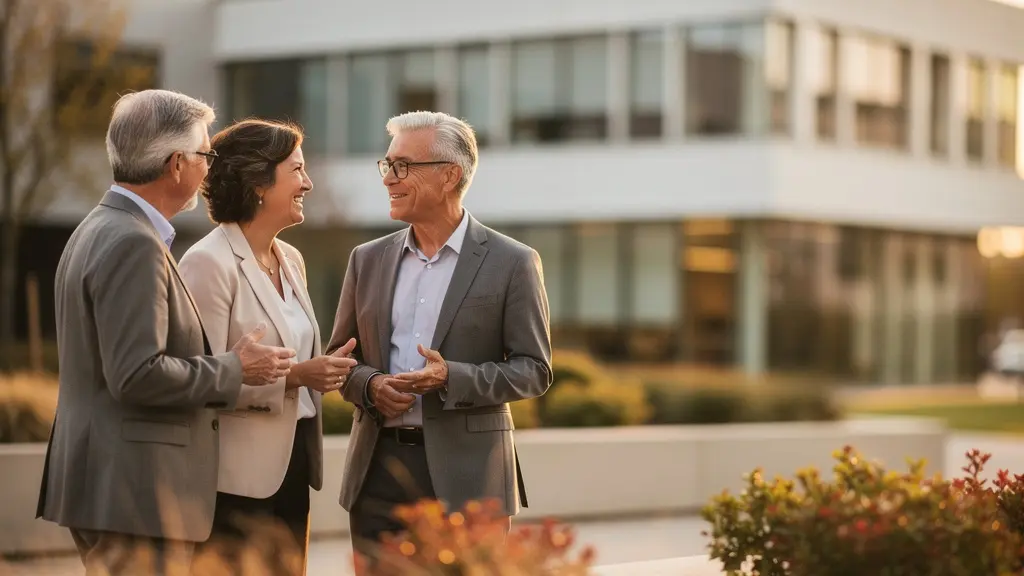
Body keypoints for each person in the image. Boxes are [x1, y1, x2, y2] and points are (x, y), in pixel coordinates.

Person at [35, 90, 297, 576]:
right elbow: (137, 375)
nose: (208, 167)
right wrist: (236, 368)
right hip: (136, 493)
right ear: (178, 164)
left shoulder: (100, 227)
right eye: (205, 155)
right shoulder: (134, 242)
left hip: (114, 487)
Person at [325, 111, 553, 559]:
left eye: (403, 166)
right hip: (376, 472)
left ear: (450, 175)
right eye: (386, 165)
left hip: (471, 478)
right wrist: (369, 385)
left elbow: (534, 370)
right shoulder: (366, 259)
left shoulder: (512, 262)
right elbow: (339, 355)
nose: (389, 178)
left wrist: (451, 377)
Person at [177, 119, 357, 575]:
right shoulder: (207, 263)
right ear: (259, 182)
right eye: (297, 170)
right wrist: (298, 376)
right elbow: (198, 382)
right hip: (233, 481)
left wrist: (328, 370)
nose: (308, 183)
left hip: (293, 464)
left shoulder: (290, 258)